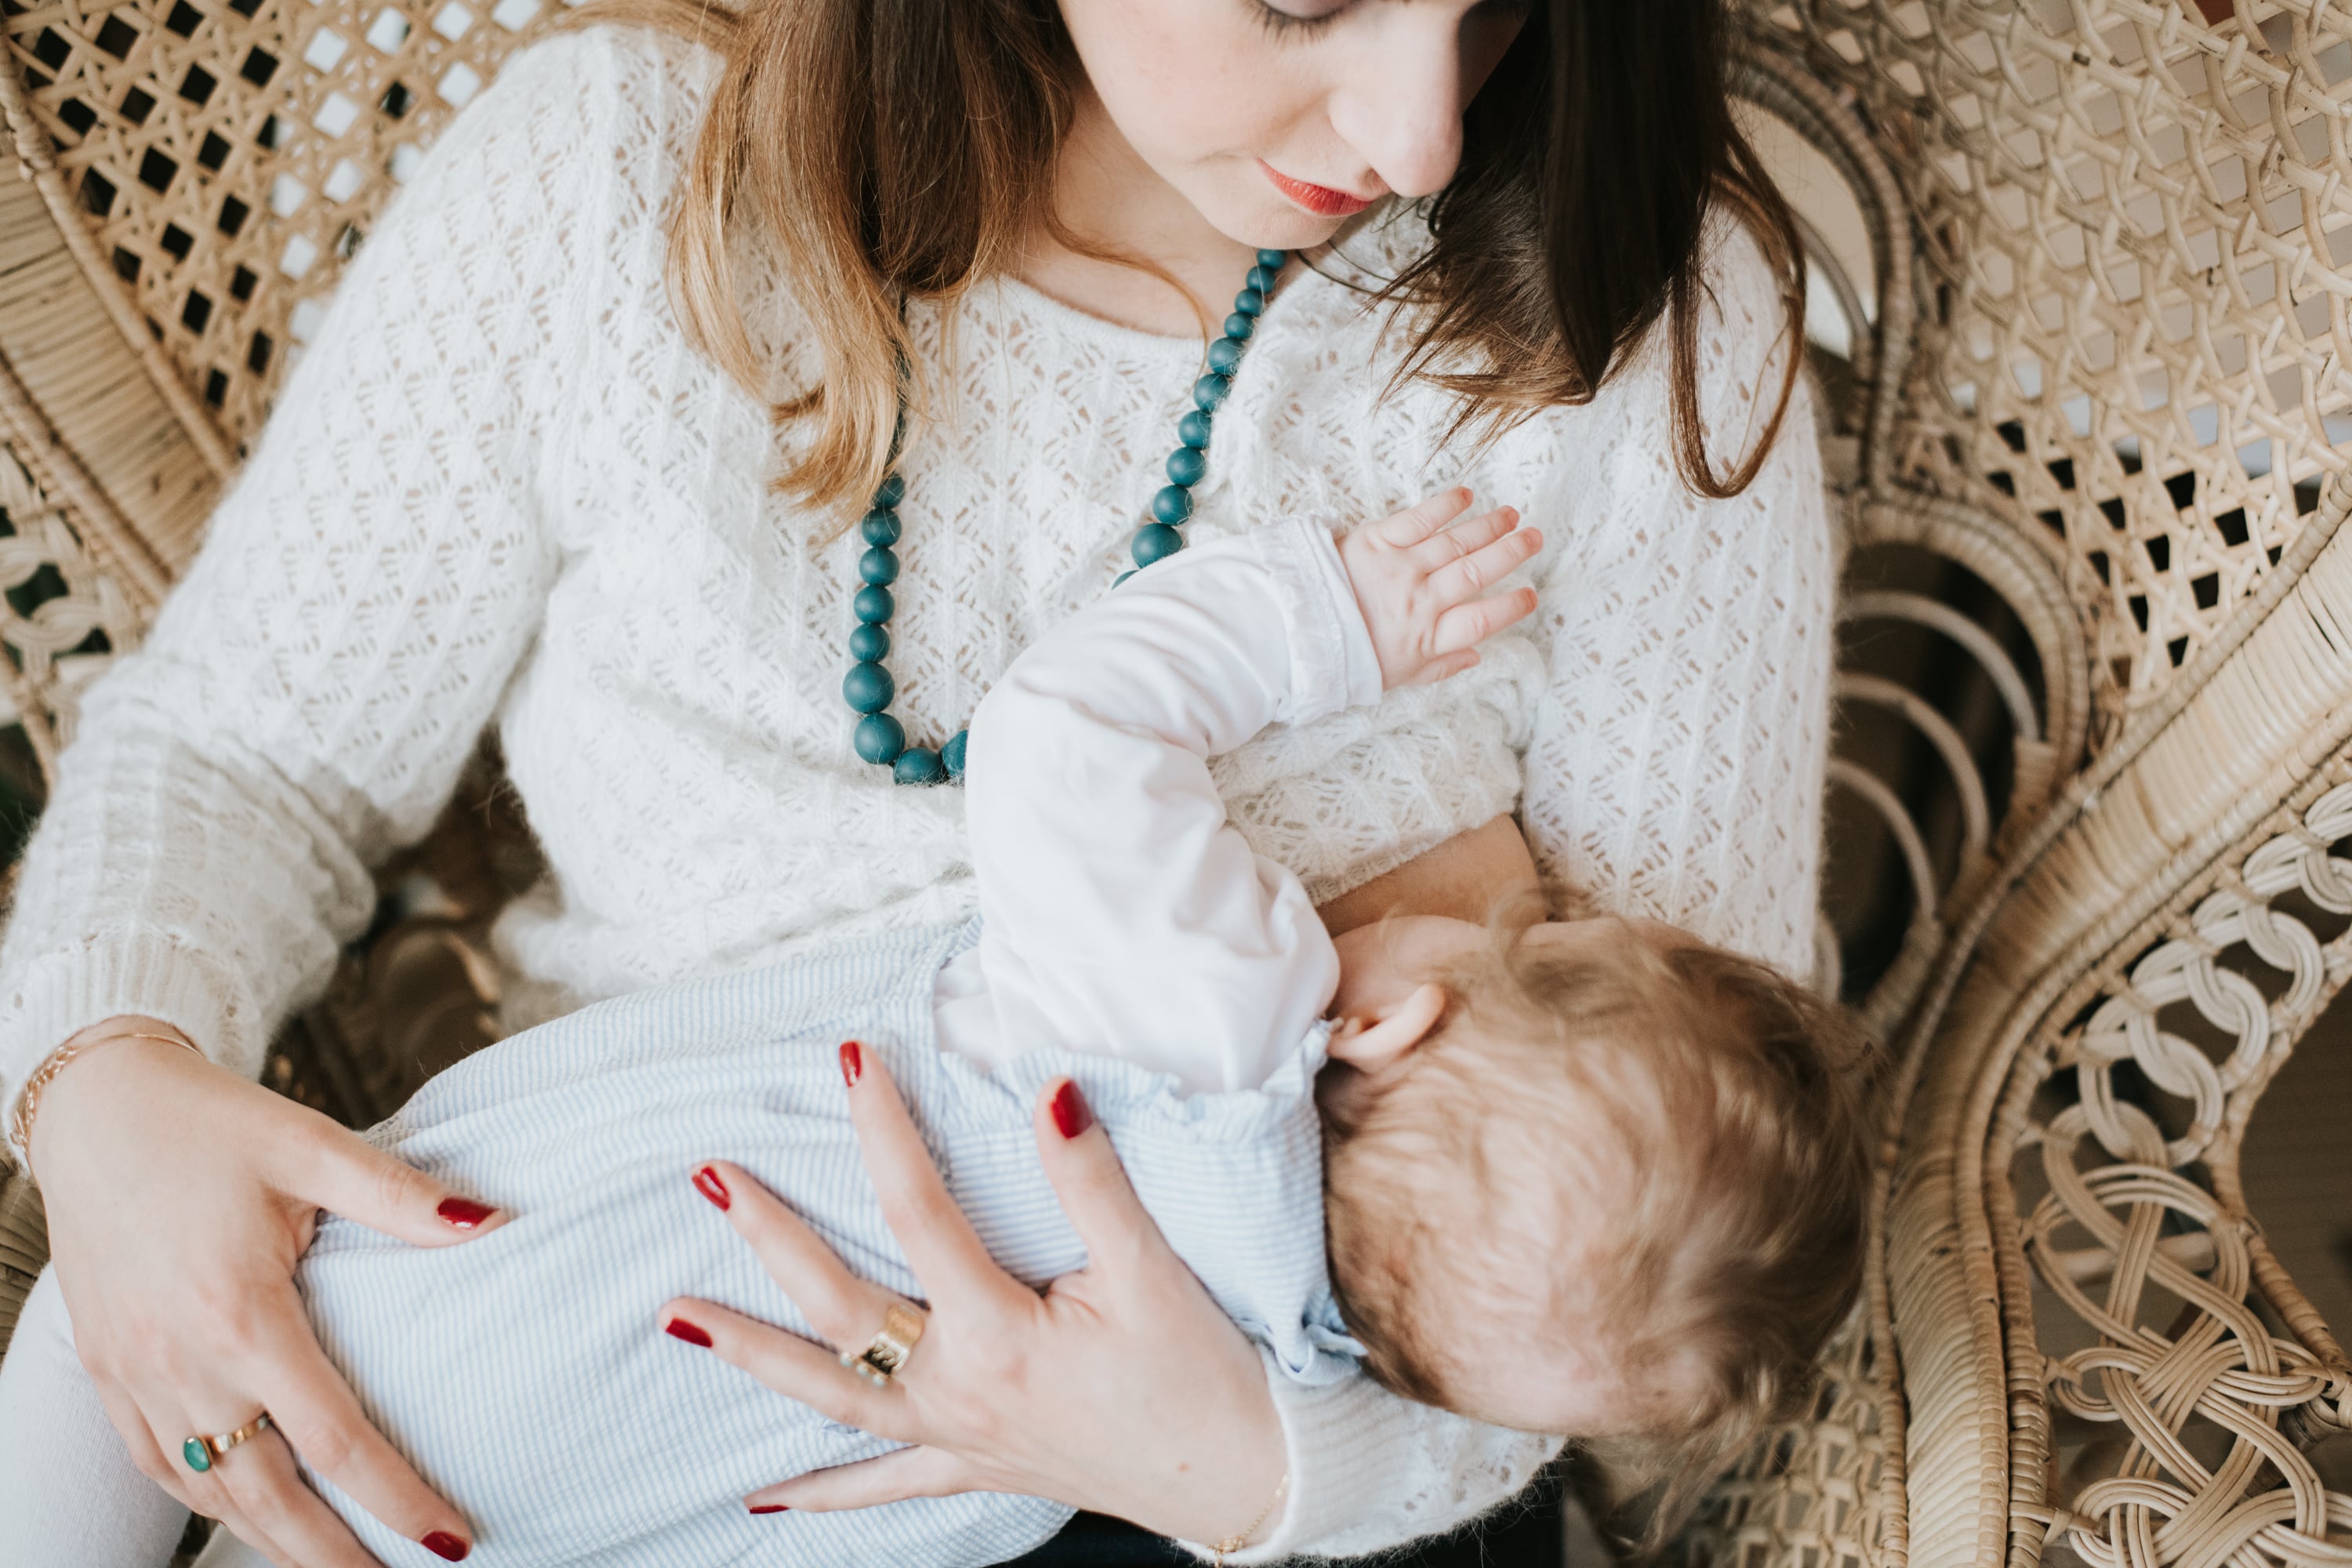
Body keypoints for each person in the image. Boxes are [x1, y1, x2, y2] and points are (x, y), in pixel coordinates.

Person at [0, 1, 1832, 1563]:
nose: (1423, 134)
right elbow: (250, 750)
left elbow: (1641, 1222)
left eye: (1498, 7)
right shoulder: (618, 186)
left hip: (1281, 1488)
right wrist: (106, 1079)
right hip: (633, 1346)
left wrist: (1246, 1466)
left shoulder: (1632, 320)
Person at [1, 499, 1866, 1566]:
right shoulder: (1253, 1381)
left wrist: (1336, 613)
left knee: (89, 1337)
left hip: (414, 1276)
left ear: (1384, 1010)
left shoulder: (1217, 1012)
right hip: (572, 1523)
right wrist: (107, 1080)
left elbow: (1070, 734)